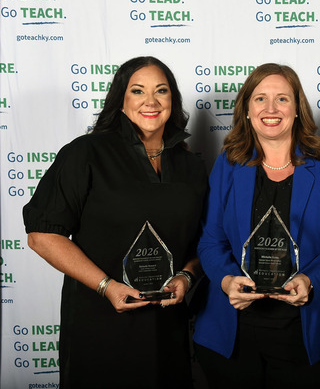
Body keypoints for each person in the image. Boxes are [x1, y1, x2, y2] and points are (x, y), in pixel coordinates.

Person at [22, 56, 207, 389]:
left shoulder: (190, 165)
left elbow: (205, 241)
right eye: (138, 91)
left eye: (161, 91)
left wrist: (186, 275)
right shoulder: (86, 153)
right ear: (121, 101)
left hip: (167, 324)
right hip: (101, 320)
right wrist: (106, 286)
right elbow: (42, 234)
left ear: (172, 102)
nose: (150, 101)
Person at [193, 63, 320, 389]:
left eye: (282, 99)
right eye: (260, 99)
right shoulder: (228, 165)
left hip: (312, 332)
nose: (271, 109)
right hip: (236, 332)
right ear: (246, 109)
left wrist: (310, 280)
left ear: (297, 109)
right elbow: (211, 242)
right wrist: (228, 280)